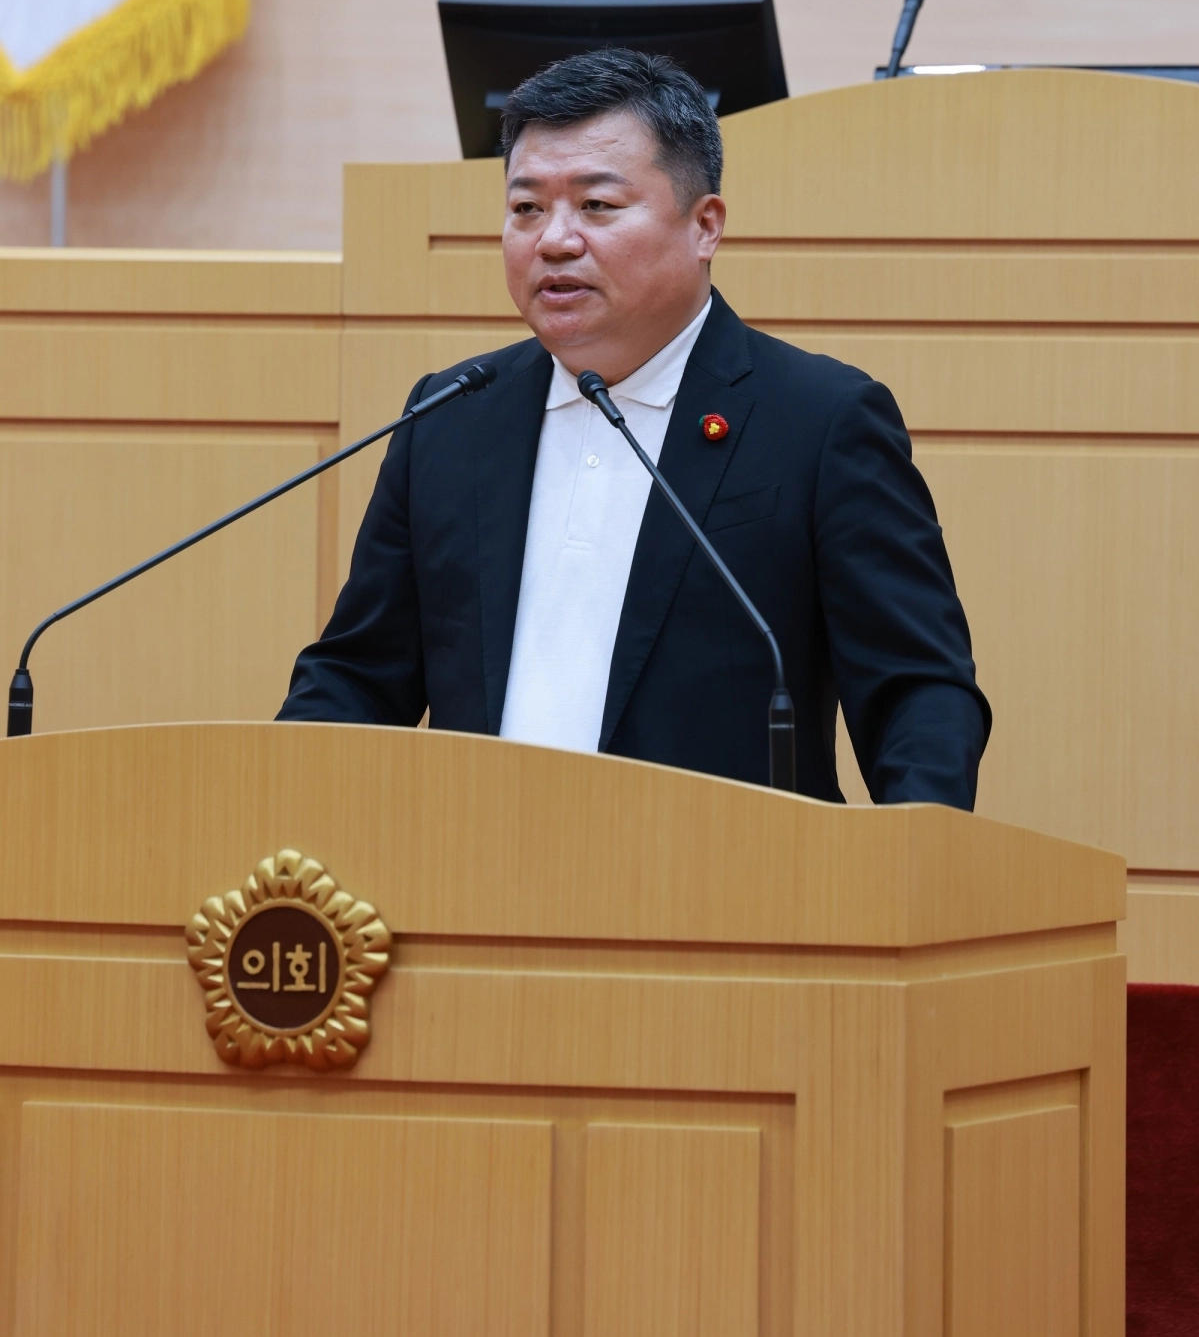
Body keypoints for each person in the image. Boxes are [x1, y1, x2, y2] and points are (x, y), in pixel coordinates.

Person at [279, 48, 990, 806]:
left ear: (704, 226)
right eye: (526, 209)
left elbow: (918, 694)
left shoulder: (819, 419)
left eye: (597, 205)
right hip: (477, 867)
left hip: (729, 873)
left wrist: (909, 857)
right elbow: (358, 677)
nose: (554, 240)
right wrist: (273, 808)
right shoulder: (450, 416)